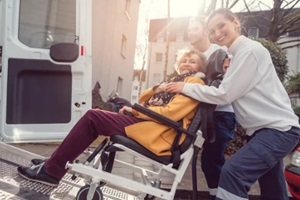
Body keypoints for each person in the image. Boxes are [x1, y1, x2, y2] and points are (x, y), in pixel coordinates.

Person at [17, 48, 207, 187]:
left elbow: (170, 114)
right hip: (148, 123)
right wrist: (158, 88)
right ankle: (54, 162)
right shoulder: (175, 82)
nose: (186, 63)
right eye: (184, 60)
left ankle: (52, 171)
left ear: (200, 67)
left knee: (93, 117)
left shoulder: (194, 83)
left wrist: (134, 111)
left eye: (192, 61)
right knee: (94, 118)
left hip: (159, 133)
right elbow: (143, 98)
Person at [166, 8, 300, 200]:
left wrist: (184, 87)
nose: (217, 33)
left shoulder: (249, 51)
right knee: (273, 192)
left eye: (221, 26)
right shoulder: (236, 56)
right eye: (212, 30)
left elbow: (224, 94)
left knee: (233, 172)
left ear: (235, 23)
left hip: (278, 131)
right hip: (264, 132)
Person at [188, 15, 236, 199]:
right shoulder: (194, 57)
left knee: (211, 161)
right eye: (189, 30)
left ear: (206, 32)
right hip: (202, 115)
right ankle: (218, 195)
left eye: (194, 29)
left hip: (221, 114)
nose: (190, 33)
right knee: (207, 162)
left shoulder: (220, 52)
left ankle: (225, 195)